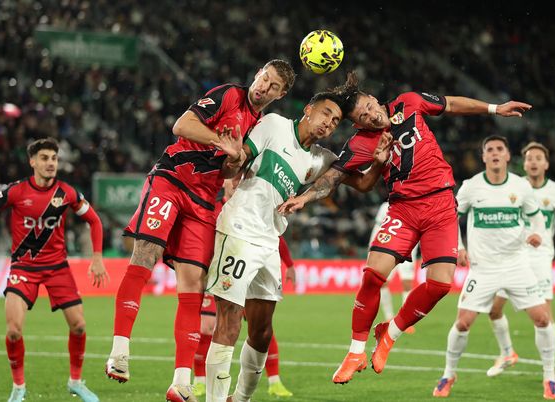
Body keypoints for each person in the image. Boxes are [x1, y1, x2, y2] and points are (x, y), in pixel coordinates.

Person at [278, 71, 533, 384]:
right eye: (363, 116)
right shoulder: (360, 143)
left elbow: (451, 104)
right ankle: (356, 351)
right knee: (373, 275)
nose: (372, 115)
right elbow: (333, 178)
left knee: (440, 285)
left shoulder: (408, 103)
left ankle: (390, 333)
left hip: (440, 205)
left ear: (375, 99)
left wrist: (495, 108)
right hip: (403, 209)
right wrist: (306, 197)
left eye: (371, 106)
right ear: (357, 124)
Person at [105, 59, 296, 402]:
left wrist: (234, 160)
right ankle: (119, 351)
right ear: (256, 74)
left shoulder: (259, 125)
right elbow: (182, 125)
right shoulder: (228, 95)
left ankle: (181, 381)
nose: (263, 87)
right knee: (145, 255)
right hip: (172, 179)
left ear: (280, 95)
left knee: (193, 281)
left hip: (204, 200)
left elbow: (227, 170)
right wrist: (219, 142)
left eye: (273, 86)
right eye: (263, 79)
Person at [204, 91, 379, 402]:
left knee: (261, 332)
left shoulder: (322, 159)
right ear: (309, 109)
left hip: (270, 240)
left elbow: (363, 184)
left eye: (336, 121)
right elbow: (239, 160)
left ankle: (240, 398)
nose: (329, 122)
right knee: (229, 322)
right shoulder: (274, 125)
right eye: (326, 113)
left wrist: (379, 163)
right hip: (240, 229)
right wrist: (232, 159)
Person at [0, 138, 109, 402]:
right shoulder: (16, 192)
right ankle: (18, 387)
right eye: (44, 158)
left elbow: (94, 221)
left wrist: (97, 257)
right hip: (23, 268)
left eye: (53, 158)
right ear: (32, 162)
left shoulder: (67, 193)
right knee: (14, 330)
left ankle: (75, 382)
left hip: (57, 267)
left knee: (79, 326)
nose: (51, 163)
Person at [432, 135, 555, 399]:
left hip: (517, 265)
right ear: (484, 157)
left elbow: (537, 219)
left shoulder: (521, 187)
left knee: (543, 318)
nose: (495, 153)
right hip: (483, 269)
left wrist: (538, 235)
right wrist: (458, 247)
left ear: (508, 156)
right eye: (490, 150)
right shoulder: (471, 187)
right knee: (463, 323)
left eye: (500, 149)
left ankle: (549, 376)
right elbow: (449, 216)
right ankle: (448, 374)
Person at [484, 141, 555, 378]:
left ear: (546, 164)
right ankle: (507, 352)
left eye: (538, 158)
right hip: (513, 255)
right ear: (524, 162)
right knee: (493, 309)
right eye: (529, 158)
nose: (533, 162)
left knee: (544, 315)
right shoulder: (515, 187)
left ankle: (548, 370)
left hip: (541, 257)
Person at [191, 179, 296, 398]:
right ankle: (199, 381)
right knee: (213, 327)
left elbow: (278, 239)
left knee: (262, 328)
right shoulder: (218, 211)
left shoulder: (260, 210)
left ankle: (272, 381)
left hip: (258, 261)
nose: (238, 182)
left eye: (243, 176)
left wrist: (290, 264)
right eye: (234, 177)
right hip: (223, 270)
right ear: (225, 182)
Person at [370, 202, 418, 334]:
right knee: (383, 282)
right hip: (388, 247)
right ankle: (389, 317)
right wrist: (373, 247)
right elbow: (378, 228)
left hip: (409, 245)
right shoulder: (385, 206)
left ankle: (405, 321)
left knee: (407, 283)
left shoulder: (415, 205)